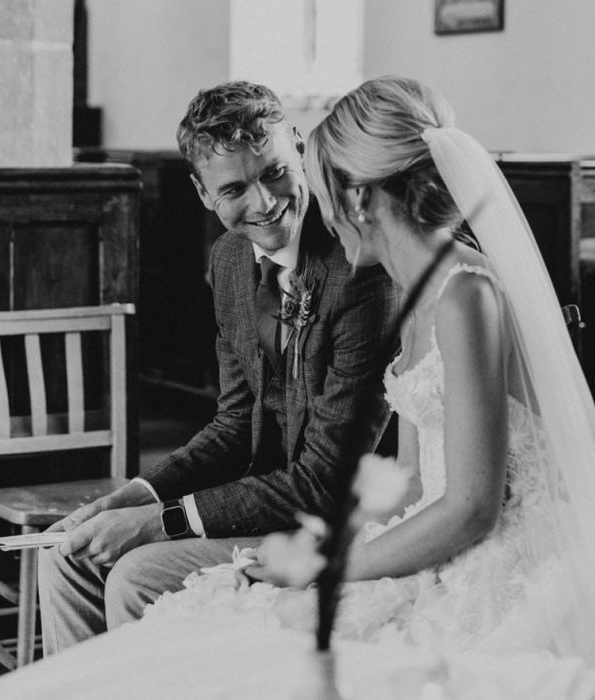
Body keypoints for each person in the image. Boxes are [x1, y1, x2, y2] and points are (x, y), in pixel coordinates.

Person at [138, 76, 595, 693]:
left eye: (327, 192)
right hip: (440, 538)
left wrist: (328, 568)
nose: (321, 215)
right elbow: (415, 481)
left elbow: (472, 508)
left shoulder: (466, 294)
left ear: (360, 202)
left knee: (271, 651)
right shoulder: (417, 296)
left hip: (505, 564)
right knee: (234, 613)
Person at [37, 81, 399, 653]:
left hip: (343, 519)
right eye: (234, 188)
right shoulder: (229, 260)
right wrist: (132, 499)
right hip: (265, 494)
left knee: (137, 573)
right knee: (66, 559)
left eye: (275, 172)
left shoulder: (362, 266)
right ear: (203, 194)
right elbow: (235, 423)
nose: (264, 202)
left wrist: (162, 523)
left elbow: (328, 478)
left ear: (300, 149)